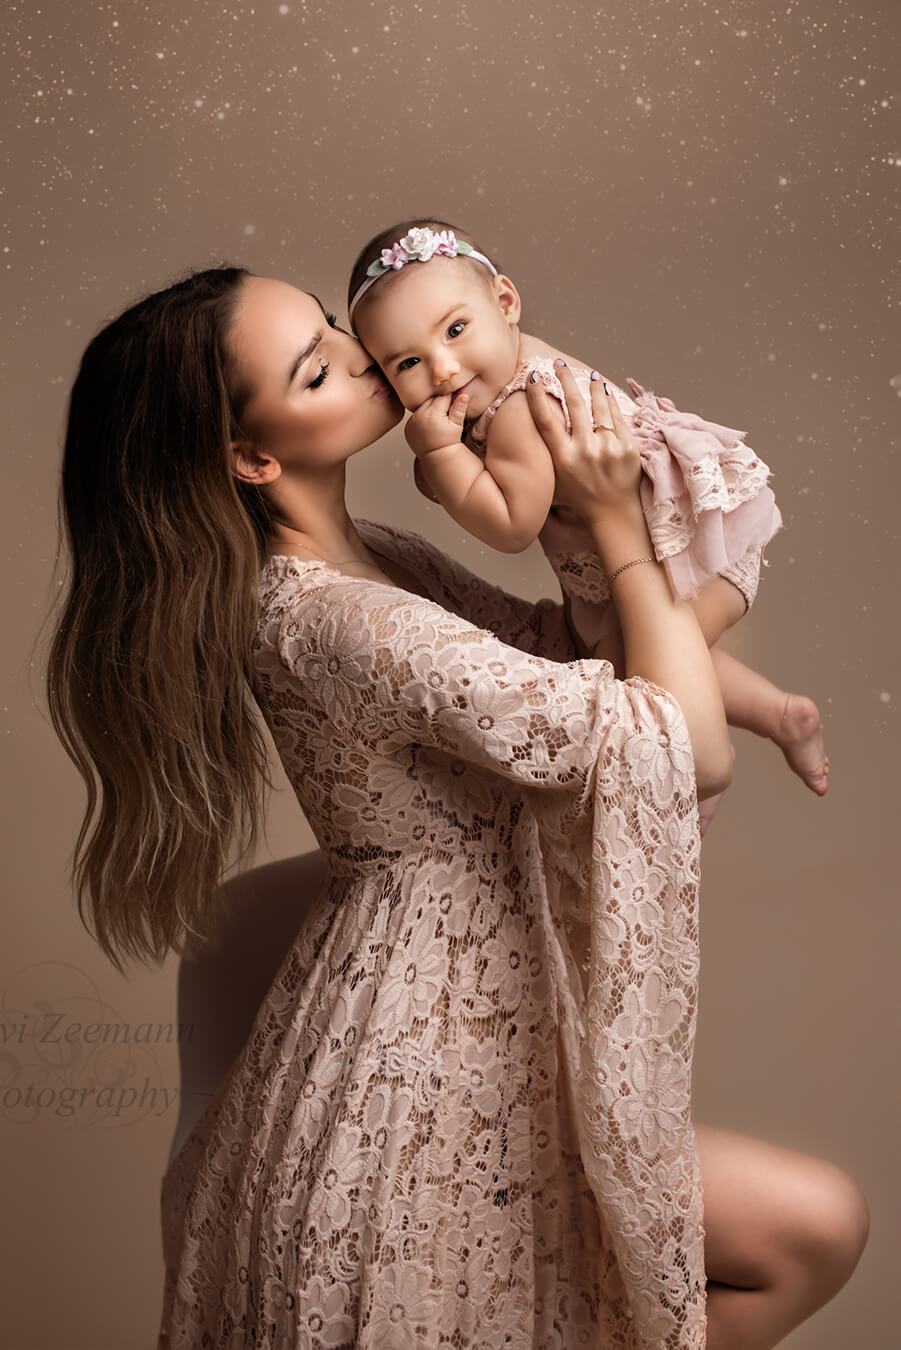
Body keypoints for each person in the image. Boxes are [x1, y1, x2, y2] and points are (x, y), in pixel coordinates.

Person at [46, 266, 868, 1349]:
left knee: (805, 1231)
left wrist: (578, 516)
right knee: (792, 1235)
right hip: (418, 1086)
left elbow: (561, 653)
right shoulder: (334, 621)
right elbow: (684, 748)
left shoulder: (377, 559)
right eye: (314, 368)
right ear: (253, 456)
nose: (358, 354)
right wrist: (619, 521)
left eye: (334, 326)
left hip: (468, 1028)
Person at [346, 219, 831, 831]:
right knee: (611, 656)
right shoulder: (507, 359)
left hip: (683, 557)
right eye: (410, 361)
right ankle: (782, 715)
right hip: (652, 556)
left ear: (505, 301)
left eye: (456, 329)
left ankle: (700, 770)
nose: (443, 368)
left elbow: (512, 525)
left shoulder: (523, 406)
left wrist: (439, 457)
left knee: (640, 691)